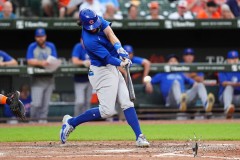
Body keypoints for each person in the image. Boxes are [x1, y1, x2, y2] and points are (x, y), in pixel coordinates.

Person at [60, 8, 150, 147]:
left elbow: (110, 33)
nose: (95, 28)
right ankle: (71, 122)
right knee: (107, 111)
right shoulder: (89, 41)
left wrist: (120, 49)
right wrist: (121, 62)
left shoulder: (97, 19)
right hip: (101, 71)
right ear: (84, 25)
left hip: (112, 68)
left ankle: (139, 136)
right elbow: (108, 58)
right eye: (92, 27)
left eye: (96, 25)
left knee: (127, 102)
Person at [145, 54, 215, 112]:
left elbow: (193, 82)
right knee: (175, 83)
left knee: (199, 85)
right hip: (170, 100)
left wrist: (196, 85)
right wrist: (148, 83)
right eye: (171, 61)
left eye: (175, 61)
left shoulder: (180, 74)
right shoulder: (162, 73)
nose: (173, 62)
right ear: (167, 63)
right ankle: (180, 103)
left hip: (184, 98)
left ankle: (206, 104)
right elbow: (149, 79)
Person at [26, 28, 58, 123]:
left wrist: (46, 62)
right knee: (36, 104)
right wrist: (42, 63)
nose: (40, 38)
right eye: (38, 37)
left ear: (45, 36)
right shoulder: (32, 46)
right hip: (37, 79)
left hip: (49, 78)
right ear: (35, 37)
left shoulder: (51, 45)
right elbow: (29, 61)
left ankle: (42, 123)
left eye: (42, 36)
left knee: (45, 105)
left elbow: (54, 59)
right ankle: (32, 121)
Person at [71, 37, 92, 116]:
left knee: (87, 102)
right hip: (79, 79)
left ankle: (87, 120)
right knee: (80, 101)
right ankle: (76, 119)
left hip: (90, 79)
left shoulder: (92, 46)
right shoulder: (78, 47)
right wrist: (83, 62)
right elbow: (74, 61)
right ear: (81, 40)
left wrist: (92, 62)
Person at [218, 50, 240, 119]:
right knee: (229, 86)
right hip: (224, 98)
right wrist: (236, 84)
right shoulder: (223, 67)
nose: (234, 60)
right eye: (232, 58)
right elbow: (224, 83)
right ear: (228, 60)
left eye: (236, 58)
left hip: (237, 97)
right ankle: (228, 109)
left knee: (230, 85)